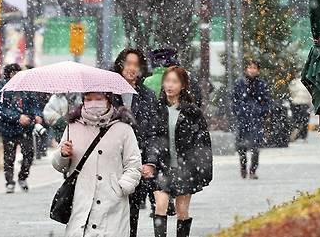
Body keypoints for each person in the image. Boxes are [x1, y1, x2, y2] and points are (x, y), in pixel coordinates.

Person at [52, 92, 142, 237]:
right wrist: (63, 154)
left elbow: (133, 163)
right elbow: (60, 166)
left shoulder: (123, 129)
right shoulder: (72, 127)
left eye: (98, 99)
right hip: (81, 202)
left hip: (113, 204)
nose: (93, 103)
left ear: (108, 100)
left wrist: (122, 187)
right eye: (88, 99)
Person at [148, 66, 213, 237]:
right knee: (160, 205)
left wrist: (202, 169)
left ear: (183, 85)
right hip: (161, 166)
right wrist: (150, 161)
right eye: (167, 81)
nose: (169, 85)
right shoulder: (156, 109)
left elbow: (202, 143)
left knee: (182, 210)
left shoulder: (193, 112)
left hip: (185, 169)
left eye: (174, 82)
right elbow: (151, 137)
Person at [111, 48, 159, 237]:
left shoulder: (147, 96)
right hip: (110, 162)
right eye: (127, 64)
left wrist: (151, 162)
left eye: (135, 65)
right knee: (110, 213)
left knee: (132, 213)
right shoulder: (108, 94)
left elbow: (153, 132)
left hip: (136, 162)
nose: (131, 69)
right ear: (120, 65)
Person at [0, 63, 40, 193]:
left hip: (26, 129)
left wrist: (37, 115)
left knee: (29, 155)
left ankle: (23, 177)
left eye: (17, 73)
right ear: (7, 74)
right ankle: (9, 181)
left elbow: (34, 103)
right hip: (8, 129)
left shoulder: (26, 87)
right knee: (9, 157)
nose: (15, 76)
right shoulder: (2, 88)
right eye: (12, 73)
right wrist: (17, 117)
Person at [232, 60, 271, 179]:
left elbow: (267, 101)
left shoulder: (262, 84)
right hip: (243, 119)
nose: (252, 70)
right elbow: (234, 100)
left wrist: (261, 111)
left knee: (255, 146)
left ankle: (253, 170)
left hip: (256, 119)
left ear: (258, 70)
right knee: (241, 146)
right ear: (246, 69)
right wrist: (239, 111)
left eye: (254, 68)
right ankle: (243, 168)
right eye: (250, 67)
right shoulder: (239, 83)